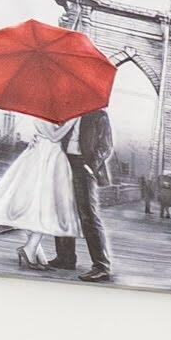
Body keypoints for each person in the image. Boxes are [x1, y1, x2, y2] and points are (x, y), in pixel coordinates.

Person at [0, 116, 84, 271]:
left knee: (45, 207)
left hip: (51, 156)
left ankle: (34, 250)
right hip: (44, 158)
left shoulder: (49, 111)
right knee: (41, 205)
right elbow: (55, 136)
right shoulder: (42, 114)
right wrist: (73, 121)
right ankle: (30, 249)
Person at [60, 105, 116, 281]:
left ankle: (102, 266)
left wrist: (90, 166)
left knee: (89, 215)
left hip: (84, 166)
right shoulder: (67, 113)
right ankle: (66, 258)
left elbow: (106, 146)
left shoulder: (99, 116)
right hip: (64, 163)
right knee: (63, 211)